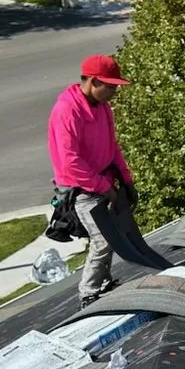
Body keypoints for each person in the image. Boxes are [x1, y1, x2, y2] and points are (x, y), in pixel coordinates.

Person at [48, 54, 138, 310]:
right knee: (103, 239)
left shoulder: (102, 107)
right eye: (111, 86)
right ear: (94, 81)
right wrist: (104, 188)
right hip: (80, 188)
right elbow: (70, 162)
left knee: (115, 234)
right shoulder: (67, 111)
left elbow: (112, 148)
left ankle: (103, 283)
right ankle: (88, 294)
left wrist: (127, 180)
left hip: (103, 180)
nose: (115, 92)